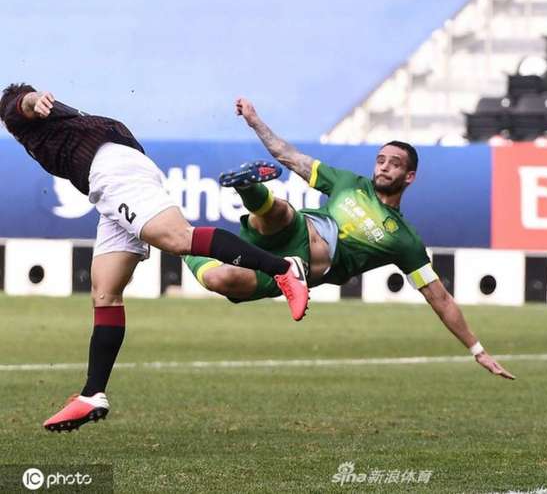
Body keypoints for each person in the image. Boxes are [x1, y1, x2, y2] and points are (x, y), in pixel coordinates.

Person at [0, 84, 309, 432]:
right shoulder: (69, 123)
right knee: (105, 290)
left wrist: (31, 101)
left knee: (179, 239)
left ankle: (283, 269)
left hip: (112, 171)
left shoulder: (23, 119)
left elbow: (20, 105)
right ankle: (92, 394)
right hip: (109, 178)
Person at [183, 97, 515, 381]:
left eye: (394, 164)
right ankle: (247, 185)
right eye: (380, 160)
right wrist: (256, 122)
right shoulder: (348, 183)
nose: (384, 168)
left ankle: (180, 240)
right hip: (298, 232)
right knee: (281, 213)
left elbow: (440, 299)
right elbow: (288, 156)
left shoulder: (404, 240)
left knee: (219, 278)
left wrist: (477, 349)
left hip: (297, 275)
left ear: (409, 176)